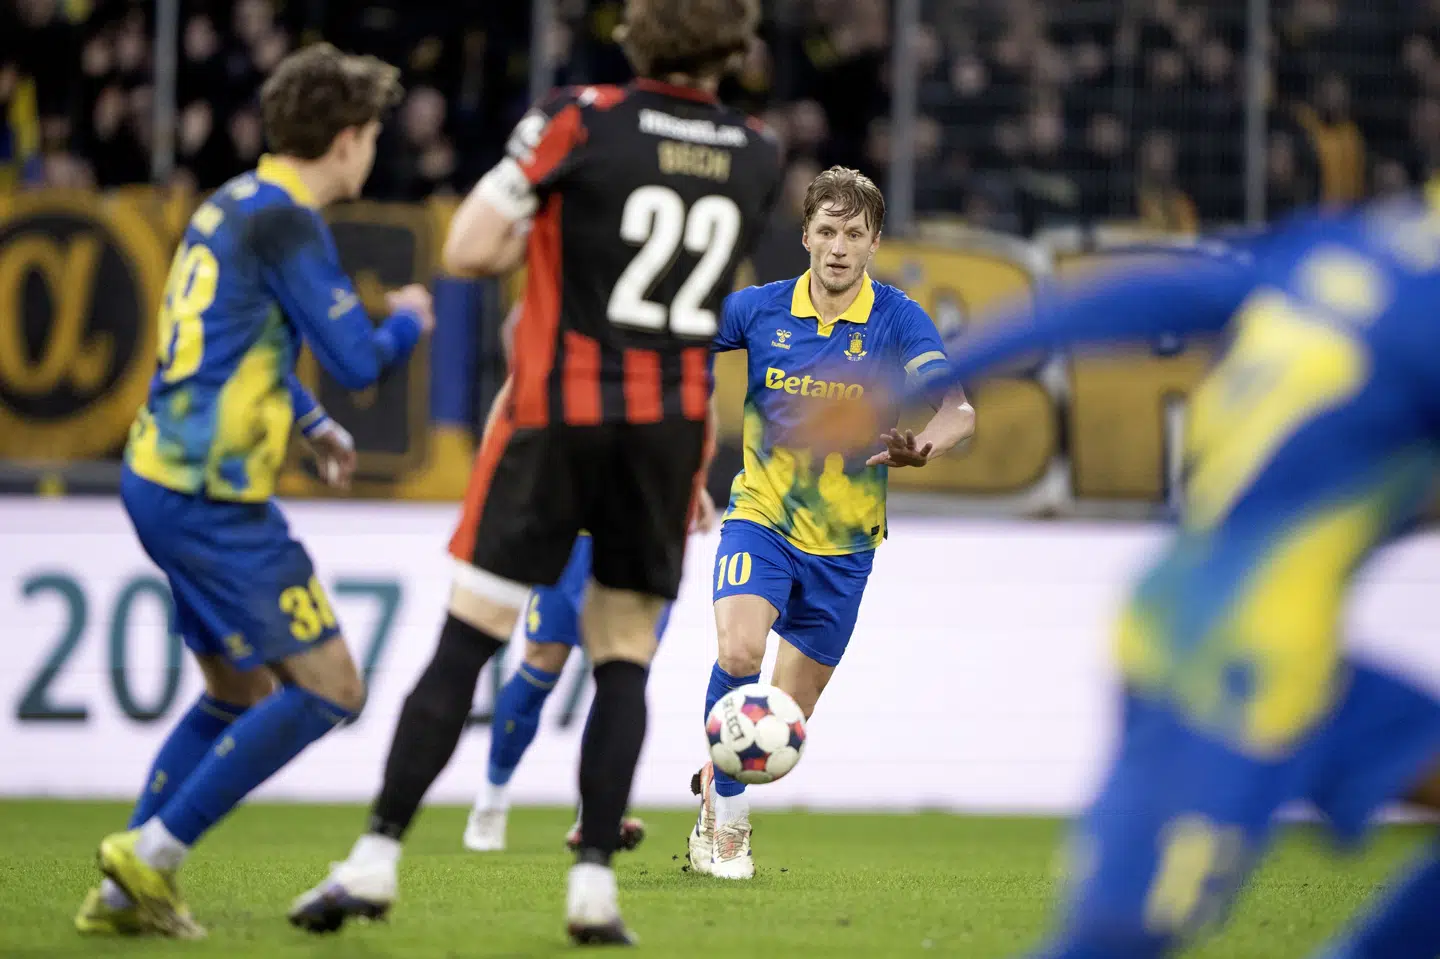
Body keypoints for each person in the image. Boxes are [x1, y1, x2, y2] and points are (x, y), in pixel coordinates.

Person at [290, 0, 783, 943]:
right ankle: (593, 886)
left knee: (469, 637)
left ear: (638, 31)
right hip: (665, 435)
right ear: (733, 44)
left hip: (557, 416)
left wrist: (554, 231)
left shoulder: (579, 118)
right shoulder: (757, 151)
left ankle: (374, 859)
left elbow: (471, 248)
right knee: (624, 659)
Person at [891, 196, 1440, 959]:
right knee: (1119, 941)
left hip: (1278, 656)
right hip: (1227, 670)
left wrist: (935, 374)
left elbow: (1143, 296)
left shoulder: (1348, 245)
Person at [74, 43, 431, 940]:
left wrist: (308, 419)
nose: (373, 149)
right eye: (372, 134)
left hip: (158, 478)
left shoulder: (230, 202)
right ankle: (150, 854)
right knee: (331, 688)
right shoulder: (288, 223)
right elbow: (359, 360)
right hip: (212, 497)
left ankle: (121, 895)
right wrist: (407, 323)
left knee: (234, 690)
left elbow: (226, 337)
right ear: (347, 139)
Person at [688, 166, 975, 880]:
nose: (839, 247)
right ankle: (729, 830)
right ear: (807, 236)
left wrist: (925, 445)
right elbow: (673, 340)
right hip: (761, 515)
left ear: (874, 242)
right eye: (826, 231)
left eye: (854, 233)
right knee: (739, 653)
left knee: (779, 729)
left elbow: (958, 410)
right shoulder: (758, 310)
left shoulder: (897, 319)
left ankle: (718, 782)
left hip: (845, 547)